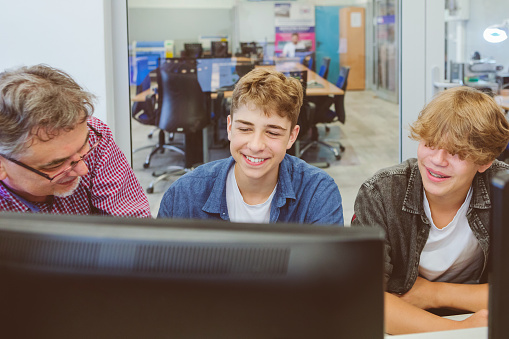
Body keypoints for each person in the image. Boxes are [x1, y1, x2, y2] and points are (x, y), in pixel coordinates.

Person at [352, 86, 509, 334]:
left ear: (484, 161)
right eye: (430, 143)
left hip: (480, 318)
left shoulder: (503, 189)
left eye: (457, 152)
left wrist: (433, 293)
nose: (437, 160)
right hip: (420, 325)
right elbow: (364, 299)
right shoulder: (381, 193)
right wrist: (456, 331)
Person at [158, 68, 343, 224]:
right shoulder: (183, 195)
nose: (255, 146)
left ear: (292, 137)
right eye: (245, 129)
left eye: (272, 132)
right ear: (230, 127)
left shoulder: (317, 194)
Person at [0, 64, 151, 217]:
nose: (82, 170)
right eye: (56, 164)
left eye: (83, 149)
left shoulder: (93, 135)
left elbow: (134, 224)